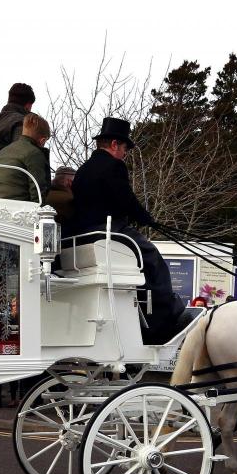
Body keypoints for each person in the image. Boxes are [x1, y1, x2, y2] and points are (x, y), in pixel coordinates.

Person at [72, 116, 182, 344]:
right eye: (124, 148)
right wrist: (147, 219)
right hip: (110, 228)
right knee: (152, 258)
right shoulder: (114, 166)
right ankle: (166, 316)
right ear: (114, 145)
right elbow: (125, 200)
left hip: (85, 231)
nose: (125, 153)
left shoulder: (82, 170)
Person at [0, 113, 51, 203]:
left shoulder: (3, 151)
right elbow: (37, 190)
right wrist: (39, 213)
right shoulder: (34, 154)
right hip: (21, 206)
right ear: (42, 140)